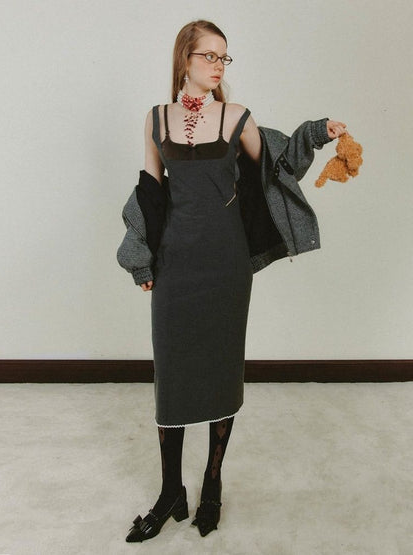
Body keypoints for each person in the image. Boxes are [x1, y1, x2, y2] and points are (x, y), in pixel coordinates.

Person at [123, 19, 347, 543]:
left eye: (224, 57)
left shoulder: (237, 116)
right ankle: (170, 491)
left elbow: (277, 163)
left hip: (226, 265)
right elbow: (150, 193)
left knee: (221, 370)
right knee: (172, 373)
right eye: (210, 55)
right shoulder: (156, 119)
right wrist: (142, 260)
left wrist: (317, 131)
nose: (218, 66)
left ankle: (212, 483)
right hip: (176, 262)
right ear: (185, 59)